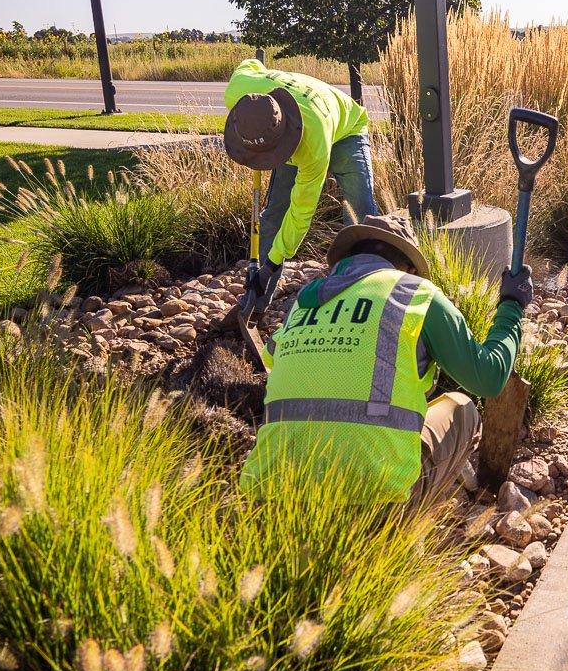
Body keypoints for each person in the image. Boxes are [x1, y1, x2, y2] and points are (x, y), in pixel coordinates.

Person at [240, 213, 535, 505]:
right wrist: (511, 305)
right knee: (461, 408)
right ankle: (405, 536)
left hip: (269, 501)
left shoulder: (303, 302)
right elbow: (490, 377)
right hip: (374, 506)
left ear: (348, 258)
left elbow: (273, 359)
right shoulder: (415, 294)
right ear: (407, 267)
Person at [222, 58, 382, 308]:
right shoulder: (238, 90)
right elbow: (249, 63)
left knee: (360, 209)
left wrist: (270, 265)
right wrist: (262, 72)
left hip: (345, 129)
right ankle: (258, 299)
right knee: (275, 213)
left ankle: (368, 293)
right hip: (282, 129)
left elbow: (301, 213)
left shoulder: (312, 146)